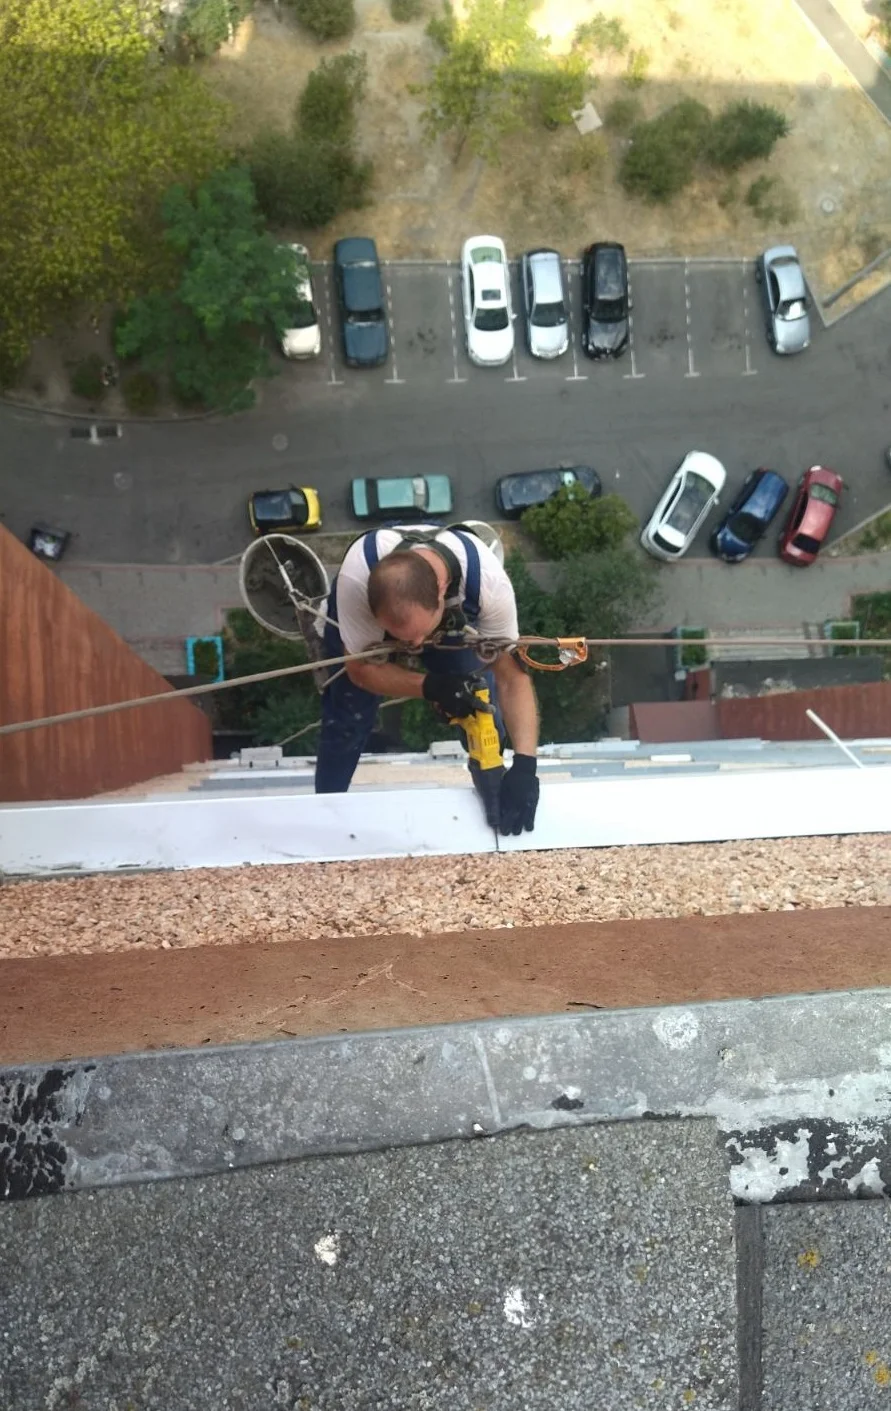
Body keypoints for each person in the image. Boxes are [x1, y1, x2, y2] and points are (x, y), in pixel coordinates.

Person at [314, 523, 540, 835]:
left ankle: (494, 790)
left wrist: (526, 764)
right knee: (348, 718)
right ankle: (325, 815)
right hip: (367, 628)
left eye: (421, 634)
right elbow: (360, 671)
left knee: (480, 703)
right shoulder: (355, 581)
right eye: (403, 638)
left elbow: (512, 678)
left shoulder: (487, 584)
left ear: (442, 590)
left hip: (453, 623)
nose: (416, 647)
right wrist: (431, 687)